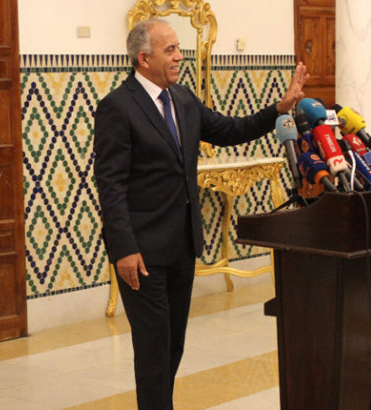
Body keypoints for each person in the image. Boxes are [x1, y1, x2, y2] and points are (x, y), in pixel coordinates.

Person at [93, 18, 308, 409]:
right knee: (153, 346)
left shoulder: (182, 98)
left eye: (179, 48)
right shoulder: (117, 107)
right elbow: (111, 184)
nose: (180, 56)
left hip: (181, 244)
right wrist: (124, 248)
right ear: (143, 59)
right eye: (170, 50)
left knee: (172, 343)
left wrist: (279, 108)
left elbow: (231, 130)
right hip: (141, 251)